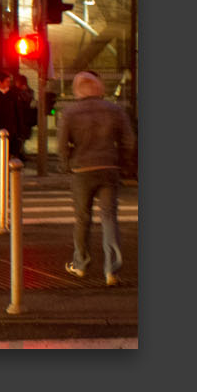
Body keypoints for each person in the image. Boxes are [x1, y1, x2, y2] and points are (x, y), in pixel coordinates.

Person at [59, 71, 137, 287]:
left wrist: (67, 166)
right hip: (109, 167)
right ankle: (111, 270)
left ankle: (81, 264)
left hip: (82, 170)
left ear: (77, 90)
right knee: (109, 218)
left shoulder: (70, 113)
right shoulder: (115, 110)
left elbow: (63, 145)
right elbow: (129, 140)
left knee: (82, 218)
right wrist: (123, 163)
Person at [12, 74, 36, 165]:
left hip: (26, 119)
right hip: (17, 118)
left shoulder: (28, 91)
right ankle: (19, 154)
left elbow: (29, 100)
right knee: (18, 138)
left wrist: (23, 91)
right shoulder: (13, 91)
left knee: (23, 137)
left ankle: (21, 153)